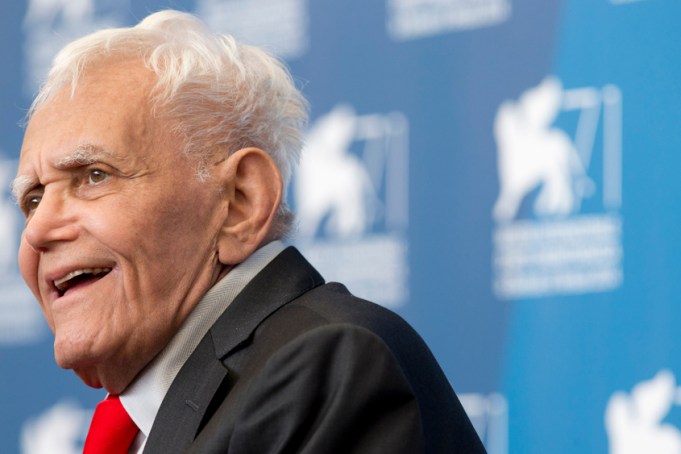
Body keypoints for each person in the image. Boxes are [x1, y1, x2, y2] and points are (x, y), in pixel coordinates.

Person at [13, 9, 486, 454]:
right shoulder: (155, 414)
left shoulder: (326, 367)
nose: (38, 231)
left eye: (94, 175)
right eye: (32, 199)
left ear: (240, 202)